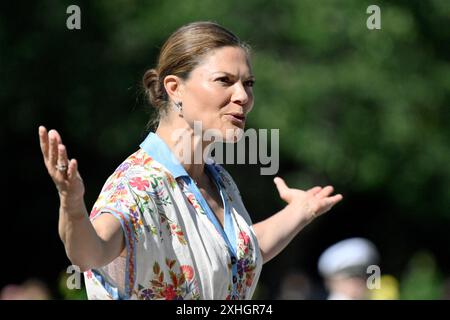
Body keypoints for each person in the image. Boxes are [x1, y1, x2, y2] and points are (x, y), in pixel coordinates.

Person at [38, 21, 343, 300]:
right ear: (175, 88)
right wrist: (72, 205)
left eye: (248, 83)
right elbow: (90, 253)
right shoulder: (139, 183)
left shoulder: (219, 179)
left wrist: (301, 210)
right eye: (224, 80)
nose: (243, 97)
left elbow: (241, 254)